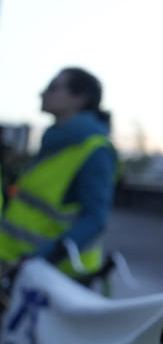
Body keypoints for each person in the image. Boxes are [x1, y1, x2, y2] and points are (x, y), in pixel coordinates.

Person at [0, 67, 117, 275]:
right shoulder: (55, 141)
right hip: (17, 265)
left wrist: (37, 261)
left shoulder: (95, 150)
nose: (43, 93)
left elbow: (95, 219)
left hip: (53, 278)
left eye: (53, 87)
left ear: (79, 98)